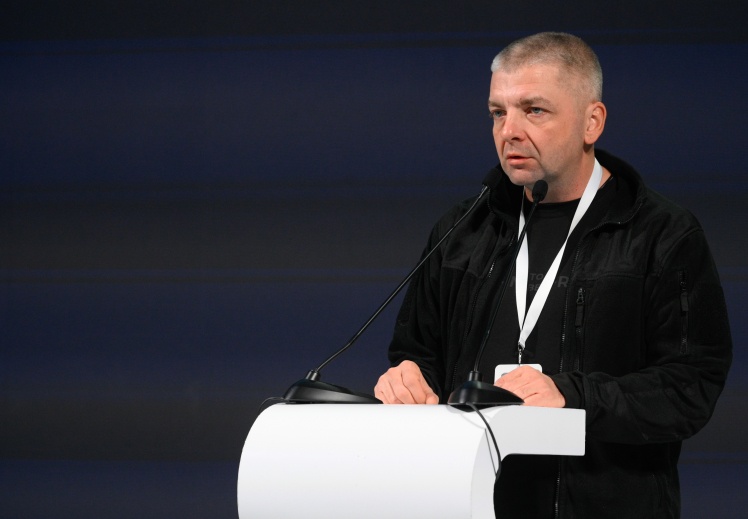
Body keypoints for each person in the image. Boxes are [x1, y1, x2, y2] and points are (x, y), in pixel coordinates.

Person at [374, 32, 732, 518]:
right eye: (498, 112)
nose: (509, 131)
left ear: (592, 122)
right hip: (470, 504)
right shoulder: (462, 230)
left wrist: (575, 395)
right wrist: (408, 378)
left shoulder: (662, 235)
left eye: (534, 110)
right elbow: (418, 354)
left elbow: (691, 386)